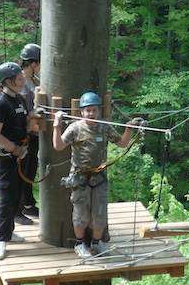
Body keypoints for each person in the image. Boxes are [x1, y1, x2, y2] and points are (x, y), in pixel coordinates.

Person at [52, 92, 143, 258]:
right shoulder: (75, 128)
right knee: (80, 215)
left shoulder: (104, 127)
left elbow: (122, 144)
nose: (91, 114)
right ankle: (80, 244)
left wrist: (129, 129)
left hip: (99, 178)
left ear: (98, 111)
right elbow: (58, 146)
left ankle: (96, 243)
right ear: (82, 112)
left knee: (99, 214)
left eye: (94, 110)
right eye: (87, 111)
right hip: (80, 178)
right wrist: (57, 125)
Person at [0, 62, 30, 260]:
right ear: (8, 81)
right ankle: (0, 240)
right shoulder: (0, 103)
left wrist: (34, 119)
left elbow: (24, 122)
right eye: (19, 79)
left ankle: (9, 232)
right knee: (6, 198)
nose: (23, 82)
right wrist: (15, 149)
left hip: (18, 155)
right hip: (3, 157)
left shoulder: (19, 99)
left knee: (16, 195)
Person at [17, 43, 41, 224]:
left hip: (33, 134)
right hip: (24, 134)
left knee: (30, 169)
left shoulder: (33, 80)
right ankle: (17, 210)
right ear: (32, 63)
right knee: (22, 171)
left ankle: (28, 203)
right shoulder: (23, 84)